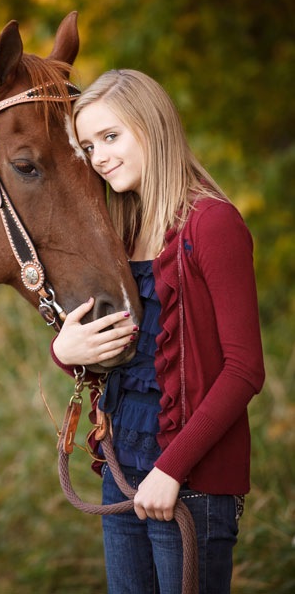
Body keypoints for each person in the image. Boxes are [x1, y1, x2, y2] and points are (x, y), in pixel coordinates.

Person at [50, 69, 264, 593]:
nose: (98, 156)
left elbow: (244, 370)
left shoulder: (211, 224)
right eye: (88, 145)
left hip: (190, 477)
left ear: (152, 127)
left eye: (110, 136)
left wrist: (171, 469)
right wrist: (66, 352)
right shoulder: (118, 235)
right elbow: (115, 352)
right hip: (121, 467)